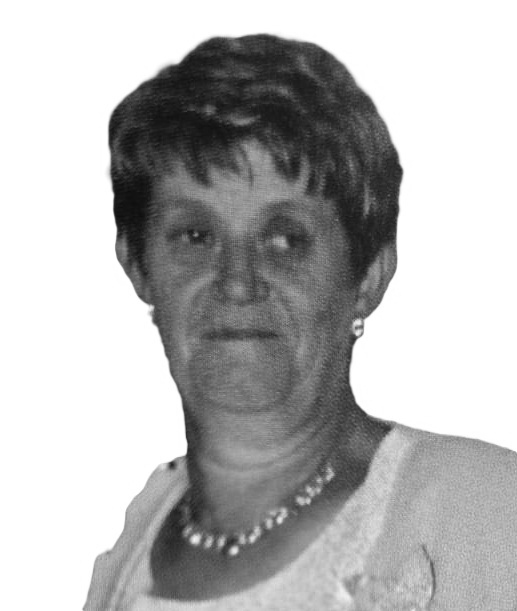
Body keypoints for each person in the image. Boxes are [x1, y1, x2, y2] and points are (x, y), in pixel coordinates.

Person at [84, 34, 517, 610]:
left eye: (285, 239)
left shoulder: (484, 513)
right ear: (138, 266)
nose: (238, 281)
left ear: (368, 275)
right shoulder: (134, 545)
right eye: (196, 235)